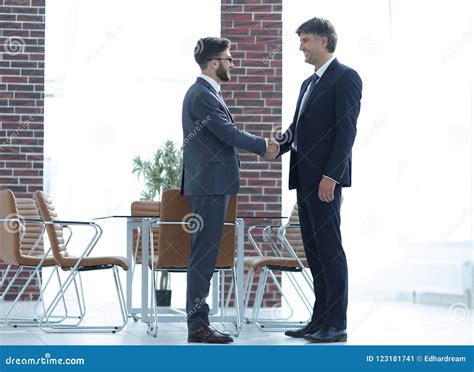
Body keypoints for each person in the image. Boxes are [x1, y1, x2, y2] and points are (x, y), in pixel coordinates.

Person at [181, 37, 279, 344]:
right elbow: (227, 133)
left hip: (211, 184)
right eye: (228, 59)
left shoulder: (206, 93)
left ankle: (199, 322)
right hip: (209, 185)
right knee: (204, 254)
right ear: (214, 63)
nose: (232, 63)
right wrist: (263, 145)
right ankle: (198, 325)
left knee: (206, 253)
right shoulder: (202, 94)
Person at [274, 17, 362, 343]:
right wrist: (275, 146)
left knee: (330, 250)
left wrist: (331, 176)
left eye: (305, 40)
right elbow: (296, 130)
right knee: (313, 252)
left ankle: (336, 324)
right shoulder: (307, 84)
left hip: (325, 180)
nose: (301, 47)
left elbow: (346, 133)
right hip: (304, 178)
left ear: (324, 41)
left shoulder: (346, 77)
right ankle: (319, 320)